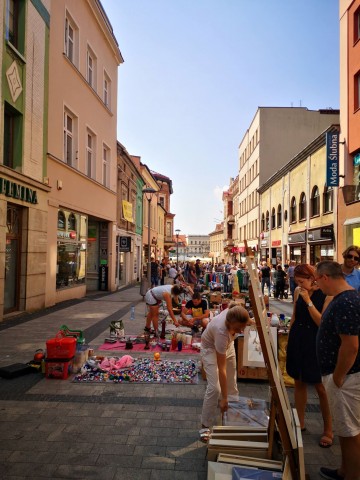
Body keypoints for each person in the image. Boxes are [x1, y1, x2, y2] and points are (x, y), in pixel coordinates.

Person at [315, 261, 360, 480]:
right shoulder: (343, 299)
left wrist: (339, 377)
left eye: (317, 280)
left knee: (351, 433)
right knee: (345, 429)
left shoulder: (346, 302)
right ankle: (344, 470)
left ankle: (352, 475)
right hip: (343, 376)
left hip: (347, 378)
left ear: (324, 277)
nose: (317, 285)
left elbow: (351, 346)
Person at [286, 264, 333, 448]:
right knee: (299, 381)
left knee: (321, 387)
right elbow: (295, 316)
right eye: (297, 282)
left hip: (316, 340)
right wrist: (290, 338)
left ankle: (328, 429)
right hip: (299, 337)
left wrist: (308, 301)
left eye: (302, 281)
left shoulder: (326, 294)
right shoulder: (298, 292)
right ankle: (301, 421)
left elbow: (321, 321)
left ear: (313, 278)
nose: (299, 285)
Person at [199, 304, 251, 442]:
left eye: (242, 327)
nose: (241, 330)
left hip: (228, 347)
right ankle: (205, 425)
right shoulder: (221, 331)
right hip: (210, 349)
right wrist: (224, 398)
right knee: (215, 388)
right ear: (230, 323)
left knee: (232, 383)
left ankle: (230, 418)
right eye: (238, 328)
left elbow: (245, 318)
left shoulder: (235, 313)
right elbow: (222, 369)